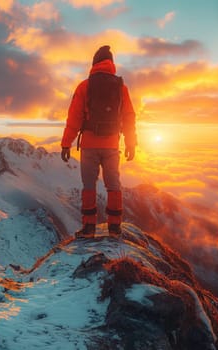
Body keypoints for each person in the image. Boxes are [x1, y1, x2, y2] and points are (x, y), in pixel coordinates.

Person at [60, 45, 137, 238]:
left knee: (89, 186)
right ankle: (114, 227)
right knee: (113, 185)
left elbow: (74, 118)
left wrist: (66, 143)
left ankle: (88, 228)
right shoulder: (121, 87)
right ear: (111, 64)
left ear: (94, 63)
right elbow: (129, 117)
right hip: (111, 144)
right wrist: (131, 142)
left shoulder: (84, 86)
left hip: (89, 144)